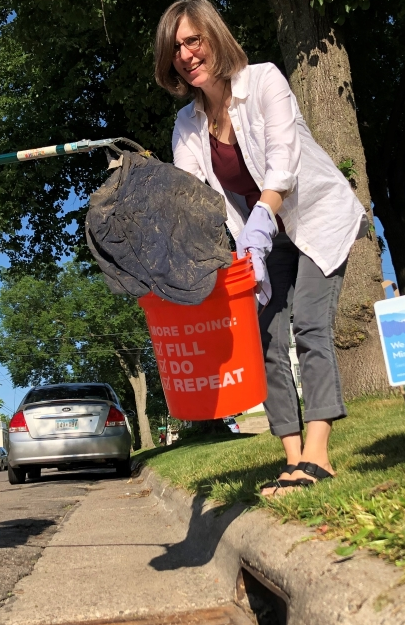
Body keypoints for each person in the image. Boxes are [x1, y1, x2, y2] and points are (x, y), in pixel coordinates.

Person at [154, 0, 366, 496]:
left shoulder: (265, 80)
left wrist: (263, 219)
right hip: (258, 237)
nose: (186, 54)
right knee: (266, 339)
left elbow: (283, 162)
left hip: (311, 216)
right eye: (176, 48)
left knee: (312, 324)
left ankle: (318, 455)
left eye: (193, 40)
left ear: (214, 37)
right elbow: (196, 199)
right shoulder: (187, 125)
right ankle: (292, 460)